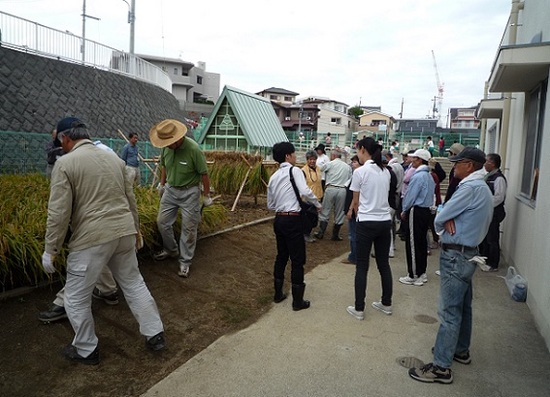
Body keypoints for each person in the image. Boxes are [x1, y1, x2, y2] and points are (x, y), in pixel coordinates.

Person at [42, 117, 165, 365]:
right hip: (123, 232)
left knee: (76, 297)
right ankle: (155, 334)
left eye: (60, 140)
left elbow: (58, 212)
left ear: (65, 138)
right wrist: (136, 230)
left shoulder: (65, 164)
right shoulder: (114, 159)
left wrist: (50, 250)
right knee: (133, 283)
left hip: (92, 238)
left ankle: (86, 349)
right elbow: (130, 199)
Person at [408, 147, 493, 384]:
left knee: (449, 312)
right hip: (468, 254)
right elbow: (446, 215)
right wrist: (448, 217)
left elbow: (439, 216)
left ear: (469, 165)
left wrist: (446, 216)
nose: (453, 166)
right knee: (463, 307)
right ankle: (460, 350)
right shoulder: (482, 187)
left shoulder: (469, 187)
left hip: (456, 255)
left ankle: (442, 368)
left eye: (457, 163)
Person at [150, 119, 212, 278]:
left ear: (177, 139)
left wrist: (206, 195)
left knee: (189, 228)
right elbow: (164, 166)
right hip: (170, 190)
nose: (168, 145)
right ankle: (171, 250)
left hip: (190, 192)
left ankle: (185, 261)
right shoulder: (166, 148)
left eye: (170, 142)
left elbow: (204, 173)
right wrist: (161, 185)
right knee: (162, 222)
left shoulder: (193, 149)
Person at [267, 142, 321, 311]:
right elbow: (304, 191)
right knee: (297, 259)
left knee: (281, 256)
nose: (296, 156)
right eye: (293, 153)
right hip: (293, 219)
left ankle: (278, 294)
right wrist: (317, 203)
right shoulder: (295, 170)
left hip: (279, 219)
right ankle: (297, 301)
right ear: (287, 156)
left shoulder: (274, 176)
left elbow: (270, 204)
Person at [346, 137, 393, 320]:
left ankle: (359, 308)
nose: (357, 153)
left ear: (363, 149)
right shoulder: (386, 171)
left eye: (357, 150)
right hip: (384, 222)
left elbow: (356, 202)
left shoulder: (360, 172)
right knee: (383, 264)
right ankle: (386, 303)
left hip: (366, 222)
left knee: (362, 266)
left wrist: (357, 215)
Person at [399, 149, 435, 286]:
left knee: (413, 243)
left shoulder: (418, 176)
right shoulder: (428, 175)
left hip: (416, 211)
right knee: (420, 243)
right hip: (425, 210)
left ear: (420, 160)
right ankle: (421, 272)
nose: (411, 160)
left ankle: (414, 274)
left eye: (414, 158)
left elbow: (411, 195)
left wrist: (404, 209)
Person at [314, 148, 352, 241]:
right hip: (342, 189)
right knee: (339, 212)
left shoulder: (330, 164)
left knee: (325, 210)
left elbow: (320, 169)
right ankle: (335, 234)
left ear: (334, 156)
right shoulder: (347, 166)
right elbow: (350, 179)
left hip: (331, 188)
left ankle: (321, 233)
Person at [479, 153, 507, 271]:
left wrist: (486, 205)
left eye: (487, 162)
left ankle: (493, 263)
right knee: (485, 237)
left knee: (492, 238)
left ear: (493, 164)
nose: (484, 164)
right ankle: (484, 258)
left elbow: (499, 197)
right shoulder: (489, 176)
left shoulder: (499, 178)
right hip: (486, 212)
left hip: (494, 213)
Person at [342, 155, 361, 264]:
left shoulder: (358, 175)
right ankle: (355, 255)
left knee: (353, 234)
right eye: (352, 162)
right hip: (353, 208)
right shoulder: (354, 175)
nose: (353, 164)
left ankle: (354, 257)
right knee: (354, 234)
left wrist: (350, 209)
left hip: (354, 209)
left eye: (355, 162)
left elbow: (355, 196)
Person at [301, 150, 323, 242]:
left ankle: (307, 233)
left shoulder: (318, 168)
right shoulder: (303, 171)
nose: (312, 161)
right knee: (309, 218)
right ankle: (306, 234)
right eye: (310, 159)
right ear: (307, 160)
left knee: (314, 218)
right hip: (307, 199)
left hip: (318, 197)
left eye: (314, 159)